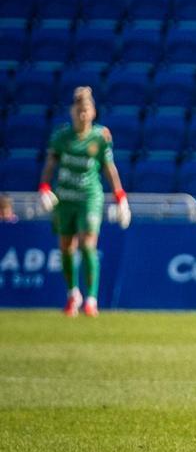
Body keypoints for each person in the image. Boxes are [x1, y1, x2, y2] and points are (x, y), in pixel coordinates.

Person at [37, 86, 132, 318]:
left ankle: (91, 299)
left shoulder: (100, 137)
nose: (82, 114)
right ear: (72, 111)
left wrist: (120, 196)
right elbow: (50, 163)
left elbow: (109, 168)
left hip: (89, 197)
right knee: (66, 246)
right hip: (65, 198)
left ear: (93, 112)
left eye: (86, 110)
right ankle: (73, 294)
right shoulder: (61, 136)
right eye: (78, 110)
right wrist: (44, 188)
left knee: (88, 243)